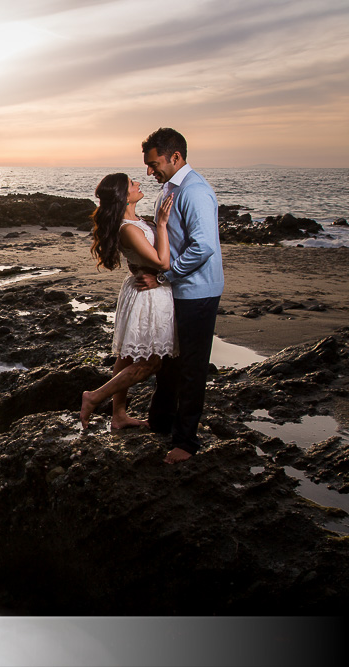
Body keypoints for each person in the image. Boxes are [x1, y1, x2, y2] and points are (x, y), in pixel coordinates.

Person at [136, 128, 224, 464]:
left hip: (197, 291)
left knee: (191, 367)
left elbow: (203, 247)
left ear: (176, 157)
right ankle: (160, 423)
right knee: (169, 361)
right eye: (147, 165)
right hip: (178, 289)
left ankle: (186, 443)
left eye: (154, 163)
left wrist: (164, 276)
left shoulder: (195, 191)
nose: (149, 171)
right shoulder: (170, 188)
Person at [80, 173, 177, 431]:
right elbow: (163, 262)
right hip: (148, 294)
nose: (138, 184)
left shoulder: (136, 221)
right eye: (132, 184)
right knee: (152, 362)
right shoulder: (129, 229)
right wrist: (163, 225)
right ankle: (95, 396)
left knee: (125, 356)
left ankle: (118, 415)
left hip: (145, 289)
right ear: (124, 195)